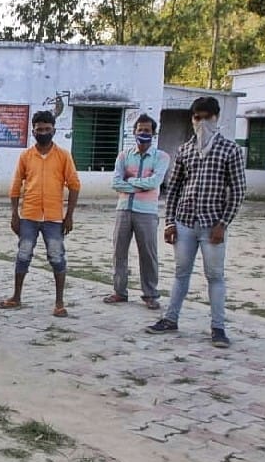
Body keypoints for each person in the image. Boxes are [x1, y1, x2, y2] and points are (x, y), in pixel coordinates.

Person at [147, 97, 246, 347]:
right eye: (196, 117)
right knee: (181, 273)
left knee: (215, 275)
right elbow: (174, 188)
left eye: (206, 117)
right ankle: (170, 319)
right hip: (185, 221)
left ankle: (218, 327)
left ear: (216, 118)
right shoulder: (185, 149)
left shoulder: (229, 150)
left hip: (213, 223)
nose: (201, 122)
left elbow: (237, 190)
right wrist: (169, 222)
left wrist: (223, 223)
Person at [0, 110, 81, 317]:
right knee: (23, 255)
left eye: (47, 129)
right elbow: (16, 186)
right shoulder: (26, 156)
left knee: (57, 257)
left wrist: (68, 215)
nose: (43, 132)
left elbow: (74, 185)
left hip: (54, 217)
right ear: (33, 131)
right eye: (39, 129)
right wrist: (14, 215)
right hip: (29, 215)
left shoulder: (63, 156)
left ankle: (59, 303)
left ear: (54, 130)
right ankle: (16, 297)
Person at [104, 114, 171, 309]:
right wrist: (139, 185)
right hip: (124, 209)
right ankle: (119, 291)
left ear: (153, 133)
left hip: (147, 212)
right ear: (134, 132)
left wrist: (130, 182)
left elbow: (154, 182)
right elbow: (115, 183)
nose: (143, 133)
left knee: (148, 254)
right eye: (140, 130)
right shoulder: (124, 156)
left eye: (147, 130)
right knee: (119, 252)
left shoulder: (161, 157)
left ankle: (150, 294)